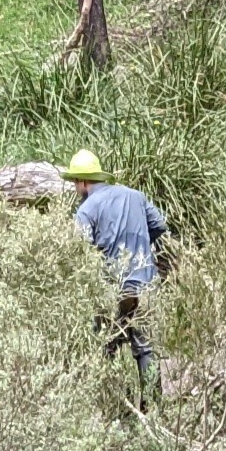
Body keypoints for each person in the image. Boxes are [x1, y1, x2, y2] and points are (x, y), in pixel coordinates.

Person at [64, 148, 166, 383]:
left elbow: (79, 250)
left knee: (105, 346)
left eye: (74, 183)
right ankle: (152, 411)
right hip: (145, 283)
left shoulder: (86, 209)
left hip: (112, 288)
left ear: (82, 182)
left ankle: (111, 405)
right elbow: (159, 226)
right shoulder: (136, 196)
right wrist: (140, 248)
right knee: (147, 348)